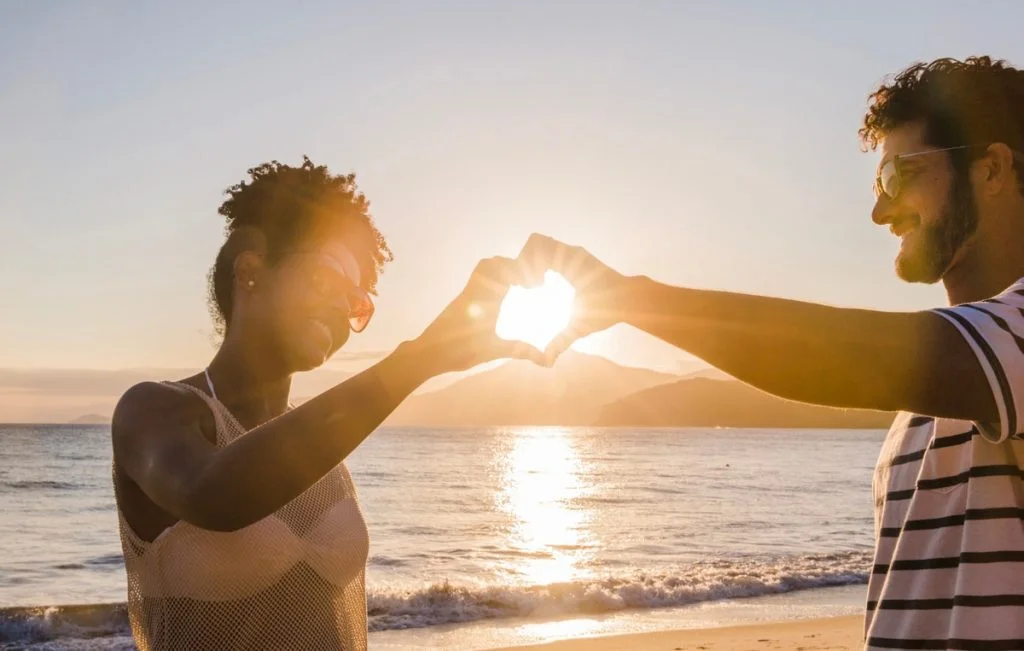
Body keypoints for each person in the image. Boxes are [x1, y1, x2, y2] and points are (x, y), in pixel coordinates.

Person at [521, 56, 1024, 649]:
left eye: (898, 176)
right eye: (877, 184)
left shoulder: (991, 352)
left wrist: (635, 299)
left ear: (990, 170)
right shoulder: (923, 407)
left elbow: (845, 358)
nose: (879, 210)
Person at [110, 157, 547, 650]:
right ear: (251, 270)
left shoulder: (325, 461)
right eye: (327, 278)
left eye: (358, 301)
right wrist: (418, 360)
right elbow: (215, 495)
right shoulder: (152, 411)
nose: (343, 308)